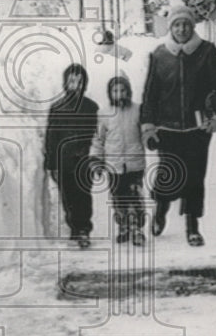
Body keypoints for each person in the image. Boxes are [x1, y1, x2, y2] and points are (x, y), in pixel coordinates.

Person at [140, 5, 216, 246]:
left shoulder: (207, 52)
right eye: (177, 24)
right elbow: (150, 94)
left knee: (195, 178)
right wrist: (149, 126)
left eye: (185, 24)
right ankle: (161, 211)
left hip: (197, 129)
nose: (182, 28)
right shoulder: (159, 55)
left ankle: (193, 227)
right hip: (167, 128)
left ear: (192, 26)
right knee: (167, 175)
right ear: (170, 27)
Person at [44, 63, 99, 248]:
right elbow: (52, 136)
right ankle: (74, 228)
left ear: (85, 83)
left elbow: (97, 135)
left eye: (79, 81)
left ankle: (84, 229)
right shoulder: (57, 108)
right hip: (64, 162)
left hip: (83, 161)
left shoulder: (91, 107)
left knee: (83, 195)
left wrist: (95, 157)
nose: (76, 84)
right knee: (68, 197)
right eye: (72, 81)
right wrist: (51, 163)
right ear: (66, 83)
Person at [90, 75, 147, 246]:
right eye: (115, 91)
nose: (120, 94)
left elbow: (146, 132)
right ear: (110, 93)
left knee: (135, 196)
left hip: (135, 163)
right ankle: (123, 225)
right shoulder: (104, 113)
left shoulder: (138, 110)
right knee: (118, 197)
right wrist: (96, 159)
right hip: (113, 165)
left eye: (123, 90)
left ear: (128, 92)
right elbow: (98, 139)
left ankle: (137, 228)